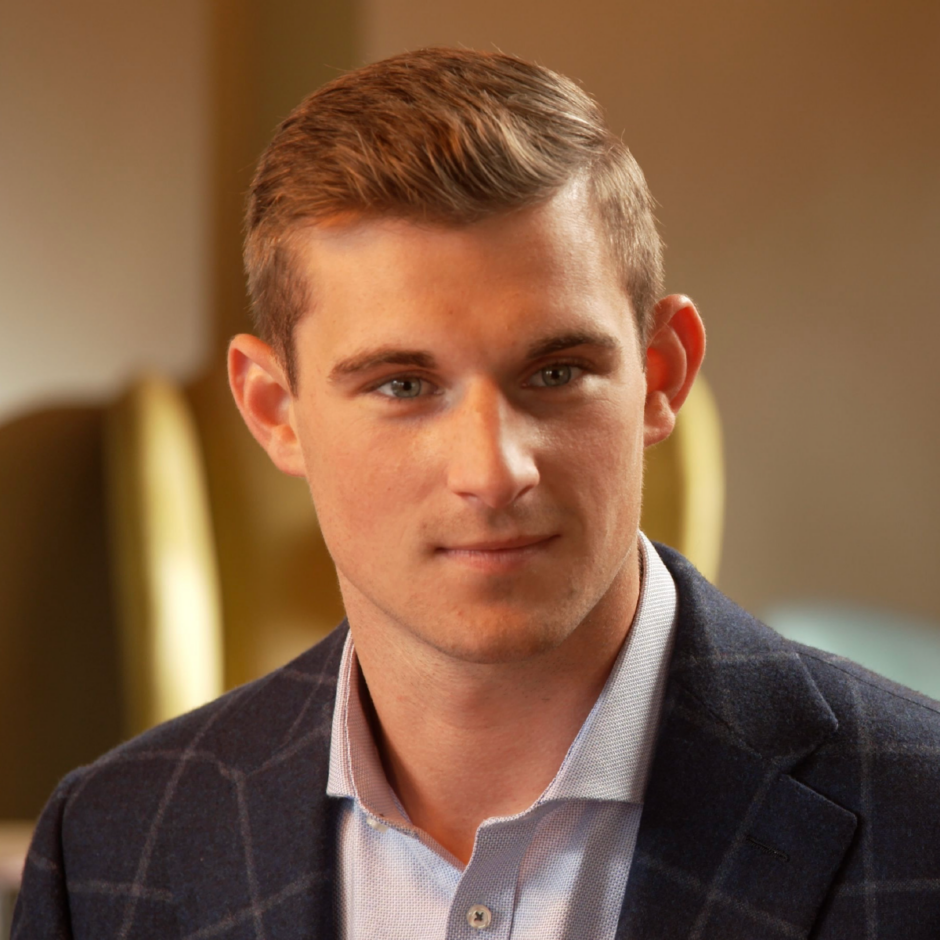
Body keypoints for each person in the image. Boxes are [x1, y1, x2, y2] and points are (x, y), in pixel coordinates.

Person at [13, 47, 940, 940]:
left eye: (557, 373)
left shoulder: (921, 819)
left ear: (661, 374)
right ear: (274, 410)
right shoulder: (110, 850)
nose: (494, 473)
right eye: (403, 385)